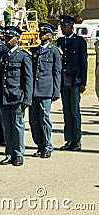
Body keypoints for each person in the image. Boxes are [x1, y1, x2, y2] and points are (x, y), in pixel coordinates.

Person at [0, 26, 33, 166]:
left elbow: (28, 78)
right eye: (5, 38)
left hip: (17, 96)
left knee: (17, 126)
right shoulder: (4, 55)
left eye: (8, 38)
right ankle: (9, 153)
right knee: (7, 126)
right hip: (5, 96)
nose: (6, 41)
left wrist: (27, 98)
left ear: (17, 39)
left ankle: (18, 153)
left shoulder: (23, 56)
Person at [29, 23, 62, 159]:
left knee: (44, 119)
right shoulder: (34, 51)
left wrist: (56, 91)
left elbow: (57, 72)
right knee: (34, 121)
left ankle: (47, 146)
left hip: (46, 90)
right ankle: (40, 145)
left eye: (45, 33)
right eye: (40, 33)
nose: (42, 35)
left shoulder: (54, 51)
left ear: (50, 35)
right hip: (33, 91)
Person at [57, 15, 87, 151]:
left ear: (71, 26)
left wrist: (83, 82)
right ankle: (69, 139)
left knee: (74, 112)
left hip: (75, 81)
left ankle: (77, 140)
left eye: (65, 26)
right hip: (64, 82)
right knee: (66, 112)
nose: (63, 29)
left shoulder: (79, 41)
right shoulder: (60, 42)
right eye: (61, 27)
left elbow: (83, 63)